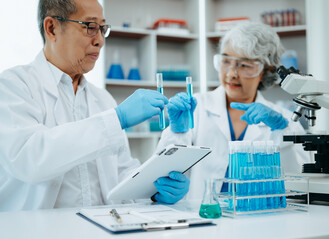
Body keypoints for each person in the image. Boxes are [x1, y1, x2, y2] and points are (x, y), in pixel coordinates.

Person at [0, 0, 189, 211]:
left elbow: (122, 176)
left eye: (103, 29)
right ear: (52, 28)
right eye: (90, 27)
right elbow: (29, 159)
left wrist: (156, 189)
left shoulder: (103, 99)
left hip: (102, 227)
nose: (99, 40)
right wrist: (117, 119)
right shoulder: (13, 86)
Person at [156, 22, 311, 200]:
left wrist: (282, 132)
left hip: (258, 218)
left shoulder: (283, 120)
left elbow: (298, 182)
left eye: (244, 65)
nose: (231, 73)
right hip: (202, 216)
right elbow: (160, 174)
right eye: (226, 61)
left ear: (266, 70)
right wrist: (176, 132)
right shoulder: (196, 107)